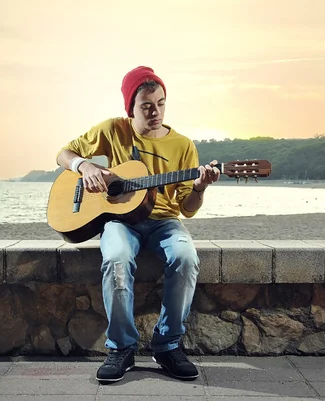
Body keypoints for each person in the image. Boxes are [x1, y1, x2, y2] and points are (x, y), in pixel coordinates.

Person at [55, 66, 220, 383]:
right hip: (119, 221)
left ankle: (168, 345)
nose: (155, 111)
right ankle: (121, 349)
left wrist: (199, 187)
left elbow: (187, 209)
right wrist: (85, 165)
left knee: (186, 258)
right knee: (116, 258)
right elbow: (64, 153)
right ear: (130, 108)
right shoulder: (113, 130)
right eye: (146, 105)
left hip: (164, 222)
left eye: (160, 103)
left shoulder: (183, 146)